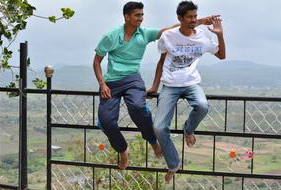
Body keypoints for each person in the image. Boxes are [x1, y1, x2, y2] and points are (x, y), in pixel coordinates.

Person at [93, 1, 220, 170]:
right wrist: (102, 84)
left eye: (142, 14)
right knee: (106, 122)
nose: (141, 18)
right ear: (127, 16)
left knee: (138, 107)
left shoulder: (144, 34)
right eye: (137, 15)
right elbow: (96, 61)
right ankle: (123, 150)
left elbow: (172, 29)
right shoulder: (111, 36)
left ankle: (152, 140)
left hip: (132, 79)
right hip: (112, 82)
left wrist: (202, 21)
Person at [147, 0, 226, 183]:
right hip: (170, 85)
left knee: (202, 105)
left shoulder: (202, 37)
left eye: (195, 16)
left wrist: (220, 35)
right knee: (159, 127)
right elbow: (161, 62)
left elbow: (222, 55)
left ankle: (188, 129)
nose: (193, 20)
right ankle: (173, 164)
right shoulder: (168, 36)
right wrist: (154, 87)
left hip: (191, 83)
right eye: (189, 17)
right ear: (180, 18)